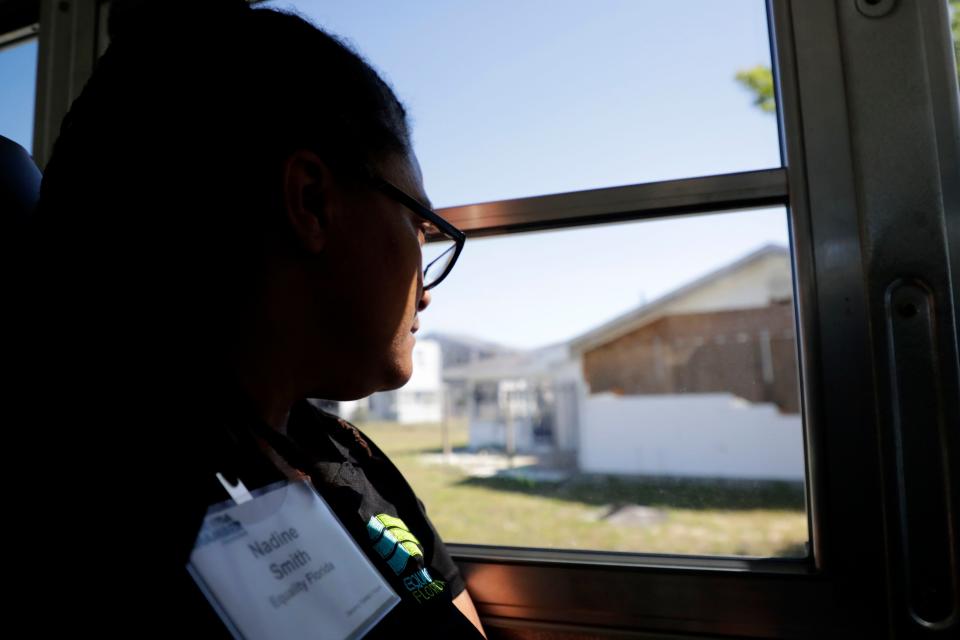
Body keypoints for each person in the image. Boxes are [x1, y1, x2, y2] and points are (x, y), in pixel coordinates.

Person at [21, 0, 482, 637]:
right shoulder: (105, 510)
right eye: (418, 224)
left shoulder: (344, 453)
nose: (424, 292)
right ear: (312, 201)